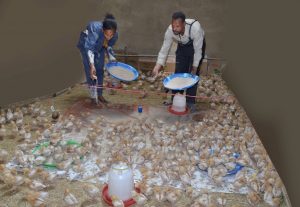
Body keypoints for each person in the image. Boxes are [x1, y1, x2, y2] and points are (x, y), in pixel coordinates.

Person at [152, 11, 206, 111]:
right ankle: (175, 99)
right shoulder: (170, 30)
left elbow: (198, 51)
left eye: (177, 26)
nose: (174, 29)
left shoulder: (195, 29)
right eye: (173, 25)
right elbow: (164, 49)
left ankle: (190, 102)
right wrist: (158, 65)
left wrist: (194, 67)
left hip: (196, 46)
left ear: (184, 24)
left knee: (192, 75)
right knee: (179, 71)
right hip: (182, 45)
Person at [77, 13, 118, 104]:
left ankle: (99, 94)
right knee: (91, 71)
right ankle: (93, 96)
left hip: (100, 47)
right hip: (86, 46)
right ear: (103, 30)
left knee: (100, 69)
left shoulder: (115, 35)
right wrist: (92, 65)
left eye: (111, 35)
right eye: (107, 34)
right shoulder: (94, 28)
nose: (109, 37)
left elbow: (109, 46)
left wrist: (111, 56)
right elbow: (90, 49)